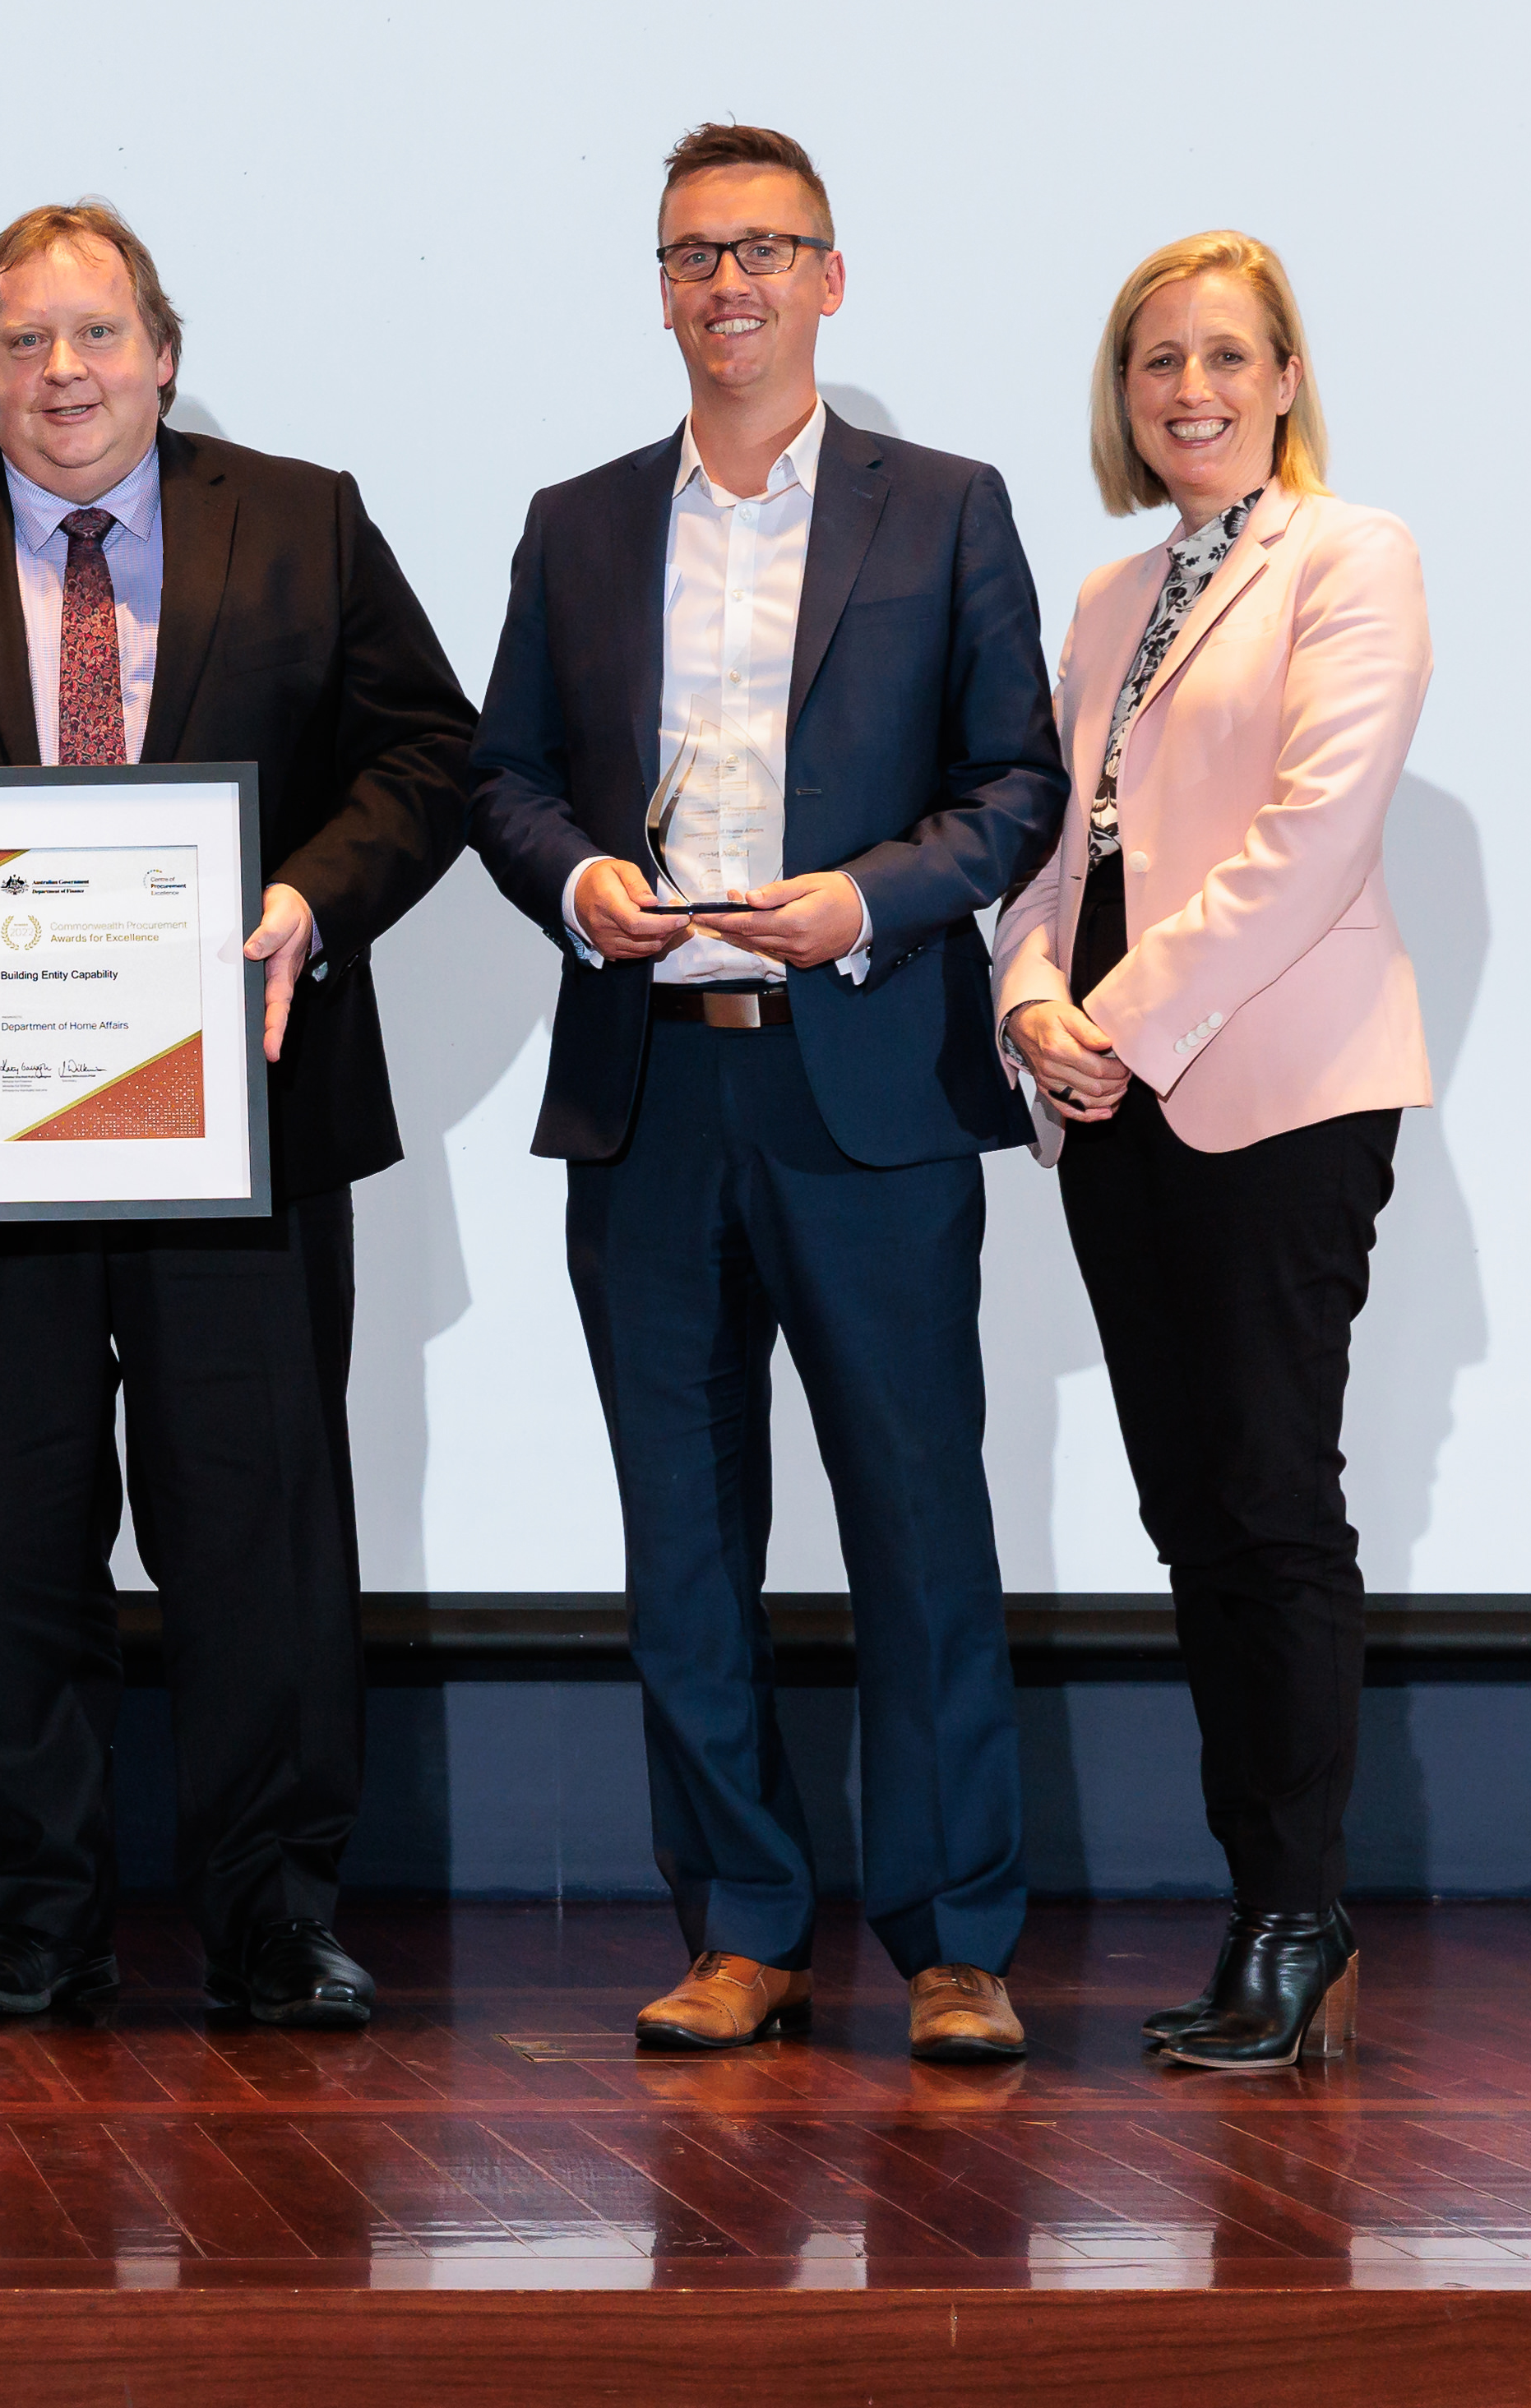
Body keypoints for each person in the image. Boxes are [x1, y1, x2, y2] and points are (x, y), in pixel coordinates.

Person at [0, 201, 479, 2027]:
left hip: (230, 1114)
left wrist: (309, 895)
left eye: (92, 336)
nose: (58, 374)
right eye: (20, 341)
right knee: (13, 1526)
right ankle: (41, 1908)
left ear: (162, 349)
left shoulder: (301, 516)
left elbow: (428, 755)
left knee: (255, 1526)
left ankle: (272, 1909)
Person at [469, 123, 1064, 2064]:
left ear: (830, 276)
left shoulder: (946, 506)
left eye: (765, 248)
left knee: (918, 1522)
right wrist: (575, 883)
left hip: (870, 1089)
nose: (727, 282)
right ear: (658, 287)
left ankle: (956, 1934)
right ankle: (740, 1923)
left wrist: (864, 903)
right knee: (683, 1532)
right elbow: (503, 775)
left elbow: (1015, 786)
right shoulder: (573, 522)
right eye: (692, 252)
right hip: (650, 1093)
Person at [993, 233, 1430, 2072]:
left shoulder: (1354, 557)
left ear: (1283, 378)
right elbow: (1057, 840)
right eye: (1155, 359)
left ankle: (1296, 1911)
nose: (1189, 387)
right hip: (1116, 1098)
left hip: (1269, 1097)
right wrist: (1025, 998)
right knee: (1194, 1517)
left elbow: (1312, 835)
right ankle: (1260, 1905)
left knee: (1265, 1504)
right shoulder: (1107, 595)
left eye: (1224, 356)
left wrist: (1124, 1015)